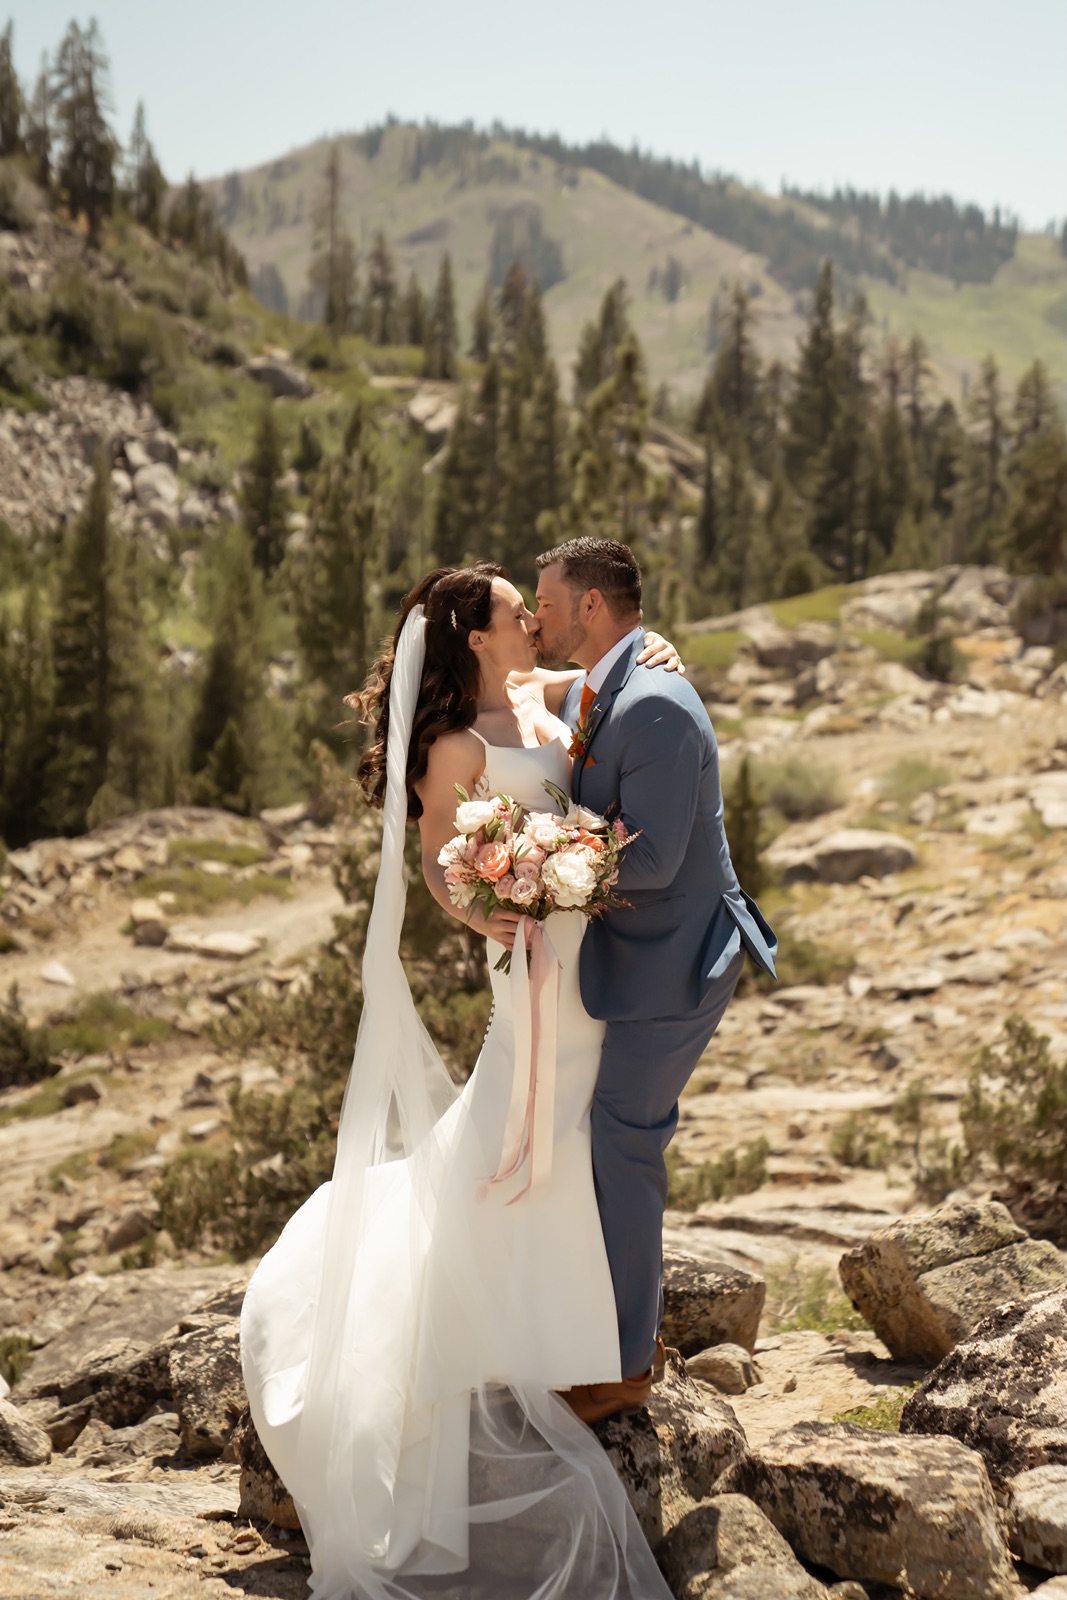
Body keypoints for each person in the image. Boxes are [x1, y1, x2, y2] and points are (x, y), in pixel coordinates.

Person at [240, 562, 684, 1600]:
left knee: (578, 1122)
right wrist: (490, 902)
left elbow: (614, 681)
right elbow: (443, 860)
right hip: (528, 949)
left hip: (589, 947)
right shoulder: (452, 745)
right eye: (512, 611)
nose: (531, 618)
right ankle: (517, 1338)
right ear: (473, 635)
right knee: (529, 1116)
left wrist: (654, 653)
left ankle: (580, 1335)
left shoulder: (540, 695)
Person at [534, 537, 778, 1425]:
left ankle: (628, 1362)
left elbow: (654, 858)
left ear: (592, 607)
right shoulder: (612, 680)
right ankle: (612, 1333)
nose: (535, 618)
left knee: (622, 1142)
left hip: (678, 960)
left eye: (549, 604)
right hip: (632, 957)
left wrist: (532, 861)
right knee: (601, 1136)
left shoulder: (658, 703)